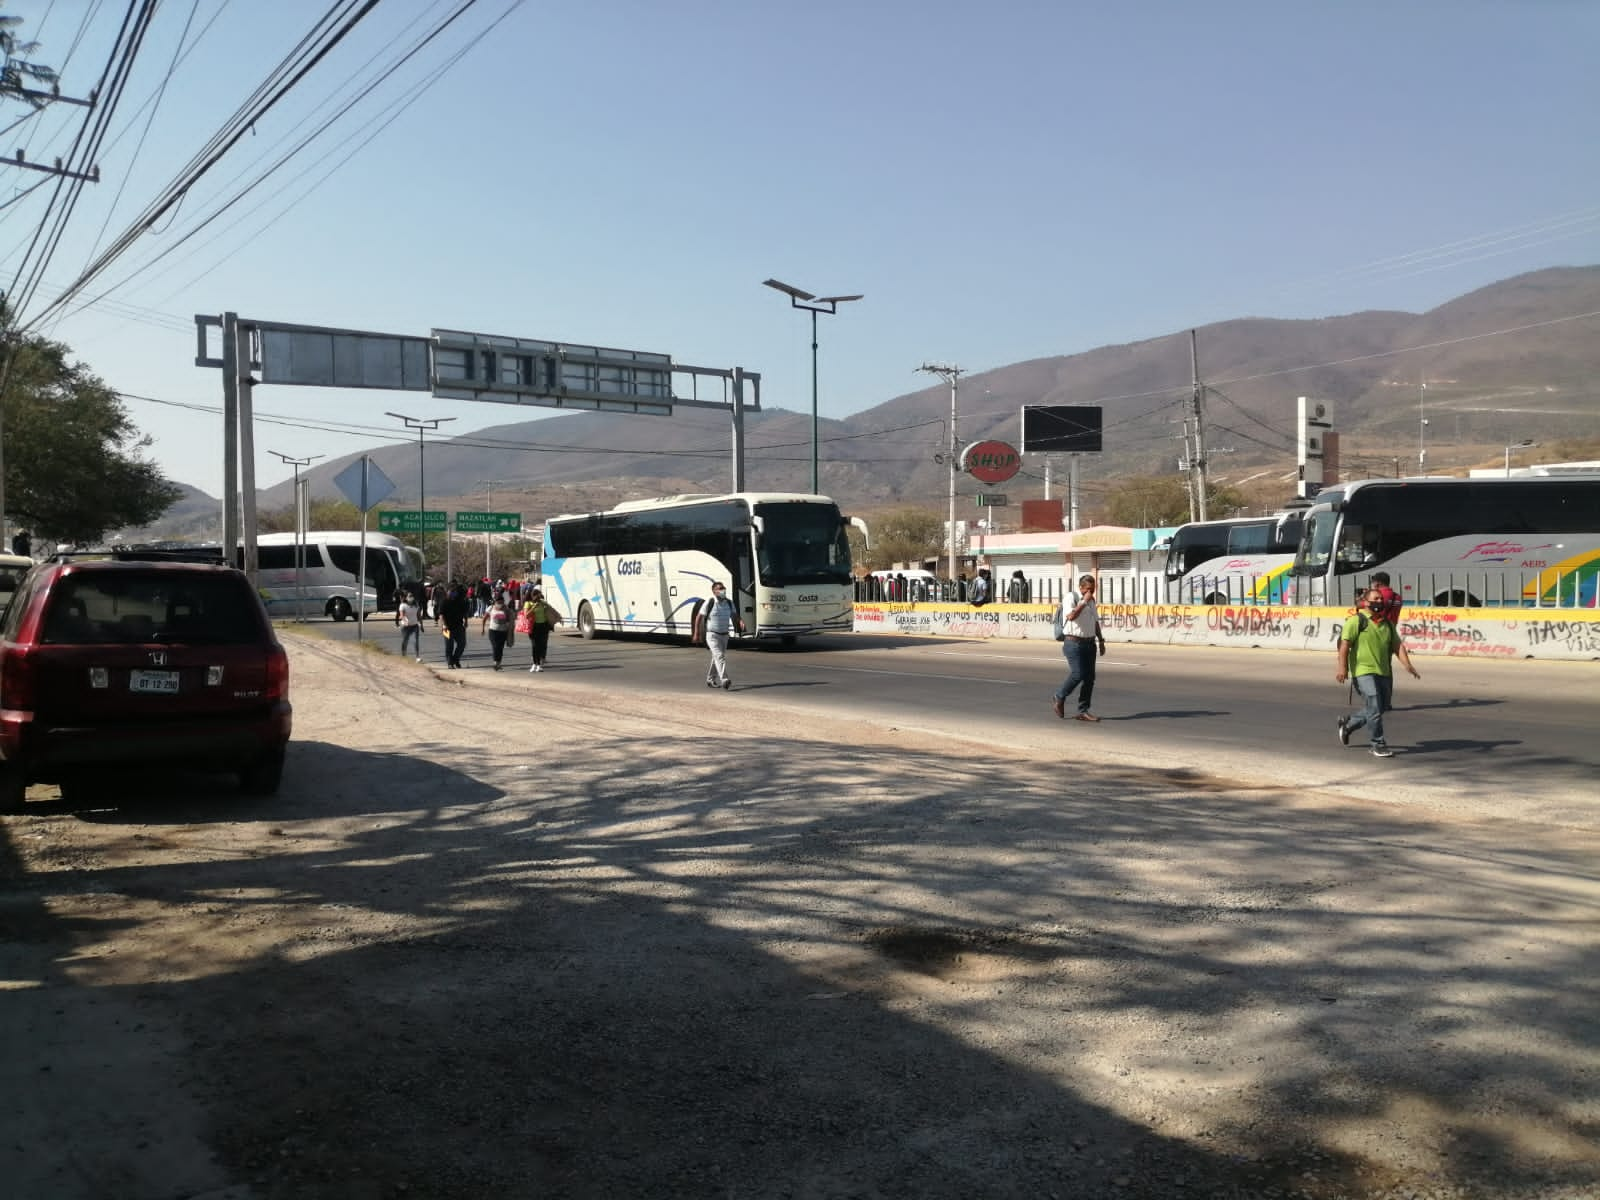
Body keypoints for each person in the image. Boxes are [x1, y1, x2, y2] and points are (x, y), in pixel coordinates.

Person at [1336, 585, 1421, 758]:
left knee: (1380, 707)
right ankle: (1378, 744)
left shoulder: (1387, 624)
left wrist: (1408, 665)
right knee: (1374, 707)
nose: (1379, 601)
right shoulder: (1356, 621)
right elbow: (1344, 646)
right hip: (1363, 671)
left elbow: (1397, 646)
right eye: (1375, 599)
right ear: (1365, 602)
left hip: (1384, 671)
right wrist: (1342, 668)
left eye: (1381, 599)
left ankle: (1349, 724)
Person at [1050, 575, 1106, 722]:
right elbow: (1071, 616)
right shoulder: (1071, 597)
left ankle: (1083, 711)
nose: (1090, 592)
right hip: (1073, 643)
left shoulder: (1092, 601)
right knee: (1078, 673)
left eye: (1093, 590)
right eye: (1088, 589)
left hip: (1089, 643)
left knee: (1089, 678)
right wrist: (1083, 601)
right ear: (1080, 587)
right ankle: (1059, 696)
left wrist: (1101, 640)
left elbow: (1095, 622)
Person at [693, 580, 744, 690]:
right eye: (720, 588)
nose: (723, 590)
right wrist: (696, 633)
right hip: (712, 635)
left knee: (717, 657)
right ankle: (724, 679)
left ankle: (710, 679)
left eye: (723, 588)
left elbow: (734, 615)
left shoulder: (729, 603)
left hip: (724, 635)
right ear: (714, 591)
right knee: (719, 656)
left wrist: (740, 621)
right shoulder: (710, 602)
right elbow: (699, 617)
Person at [524, 589, 563, 672]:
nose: (539, 597)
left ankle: (538, 665)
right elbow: (526, 615)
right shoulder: (528, 604)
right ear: (533, 595)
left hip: (543, 626)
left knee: (541, 645)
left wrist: (559, 617)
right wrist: (534, 607)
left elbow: (552, 609)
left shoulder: (542, 603)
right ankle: (535, 664)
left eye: (539, 595)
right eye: (537, 595)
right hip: (533, 627)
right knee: (535, 646)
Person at [437, 583, 469, 669]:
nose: (453, 593)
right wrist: (444, 625)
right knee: (449, 645)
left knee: (462, 644)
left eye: (455, 591)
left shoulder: (460, 601)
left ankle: (456, 659)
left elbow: (464, 612)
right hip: (447, 627)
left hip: (458, 626)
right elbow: (441, 615)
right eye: (451, 591)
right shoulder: (444, 602)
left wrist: (466, 621)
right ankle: (450, 663)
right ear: (447, 592)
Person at [481, 595, 513, 670]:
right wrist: (483, 629)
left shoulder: (507, 609)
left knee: (500, 647)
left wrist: (510, 631)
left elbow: (509, 620)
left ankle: (498, 663)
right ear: (495, 601)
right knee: (495, 646)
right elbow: (484, 618)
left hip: (503, 631)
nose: (500, 603)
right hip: (493, 631)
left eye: (501, 601)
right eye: (498, 601)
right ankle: (495, 662)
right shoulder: (491, 608)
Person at [394, 590, 423, 661]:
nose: (411, 597)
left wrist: (421, 625)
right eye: (409, 596)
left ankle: (417, 657)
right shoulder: (403, 605)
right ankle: (404, 655)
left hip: (414, 626)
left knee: (415, 641)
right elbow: (401, 615)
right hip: (405, 626)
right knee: (405, 641)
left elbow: (419, 616)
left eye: (412, 596)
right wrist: (404, 620)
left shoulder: (416, 605)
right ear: (406, 598)